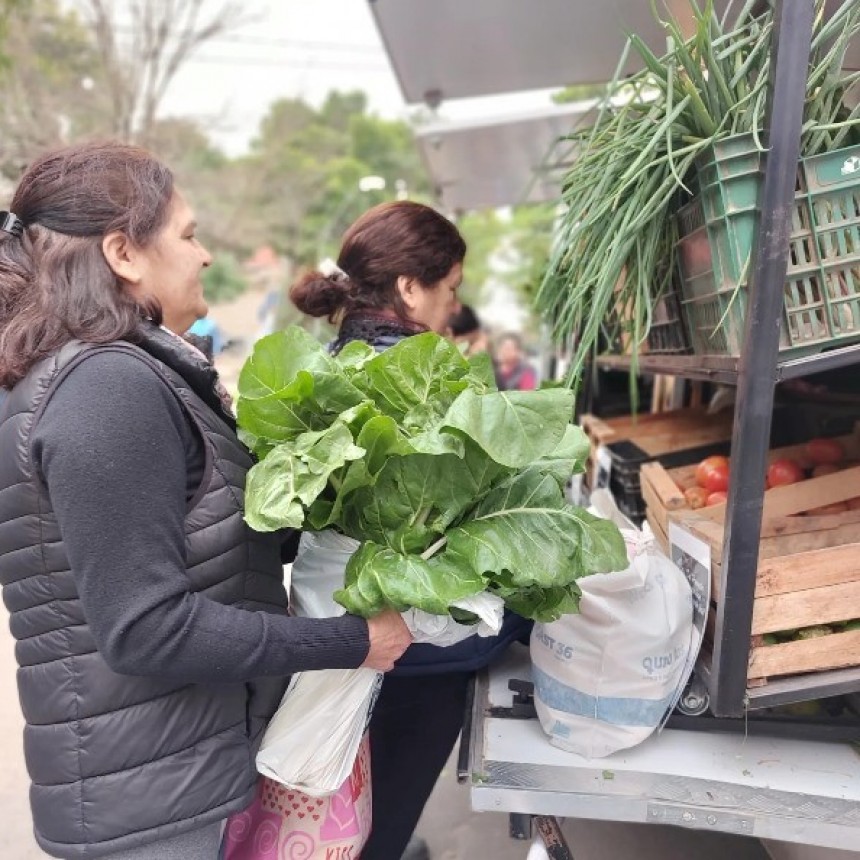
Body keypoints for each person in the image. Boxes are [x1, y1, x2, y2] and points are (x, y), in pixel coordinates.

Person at [0, 141, 411, 860]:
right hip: (146, 810)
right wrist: (354, 643)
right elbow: (147, 629)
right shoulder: (103, 387)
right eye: (188, 235)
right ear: (124, 253)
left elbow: (200, 535)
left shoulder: (107, 372)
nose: (205, 255)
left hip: (160, 780)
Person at [290, 201, 532, 860]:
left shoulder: (328, 362)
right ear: (408, 287)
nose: (455, 306)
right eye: (450, 289)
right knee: (381, 817)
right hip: (414, 647)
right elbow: (479, 515)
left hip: (334, 624)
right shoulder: (428, 376)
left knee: (349, 801)